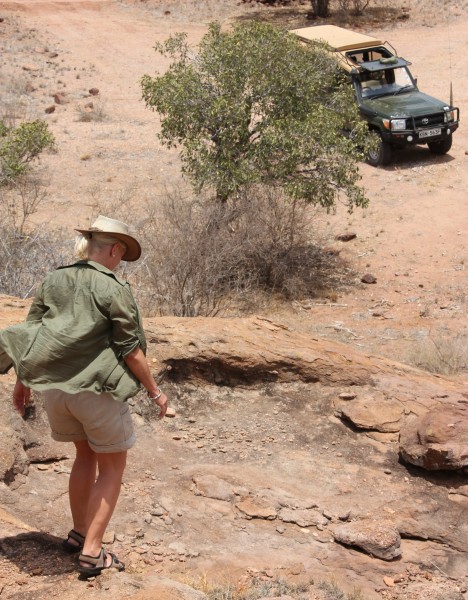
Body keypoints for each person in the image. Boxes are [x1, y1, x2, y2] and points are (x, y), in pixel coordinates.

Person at [0, 215, 168, 576]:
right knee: (112, 468)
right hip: (96, 393)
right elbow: (129, 349)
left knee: (84, 457)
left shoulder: (54, 278)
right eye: (121, 255)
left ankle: (78, 533)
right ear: (115, 249)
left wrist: (22, 382)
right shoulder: (114, 288)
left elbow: (33, 333)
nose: (120, 261)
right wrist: (155, 392)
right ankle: (92, 552)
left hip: (57, 393)